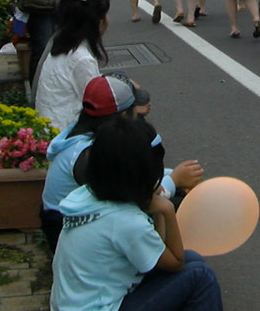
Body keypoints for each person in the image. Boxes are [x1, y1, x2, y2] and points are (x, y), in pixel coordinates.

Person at [50, 115, 222, 311]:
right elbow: (175, 262)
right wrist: (166, 210)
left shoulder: (87, 196)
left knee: (194, 259)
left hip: (73, 304)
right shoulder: (126, 221)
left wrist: (153, 204)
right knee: (200, 275)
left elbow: (159, 251)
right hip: (100, 307)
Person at [41, 74, 203, 253]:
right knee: (176, 204)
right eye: (134, 107)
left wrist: (174, 177)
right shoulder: (88, 155)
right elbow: (129, 196)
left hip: (73, 221)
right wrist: (174, 180)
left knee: (175, 192)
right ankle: (161, 260)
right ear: (124, 114)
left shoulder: (85, 137)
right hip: (70, 232)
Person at [35, 0, 109, 131]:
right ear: (97, 21)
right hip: (66, 138)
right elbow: (98, 104)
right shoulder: (81, 58)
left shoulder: (60, 44)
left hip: (47, 129)